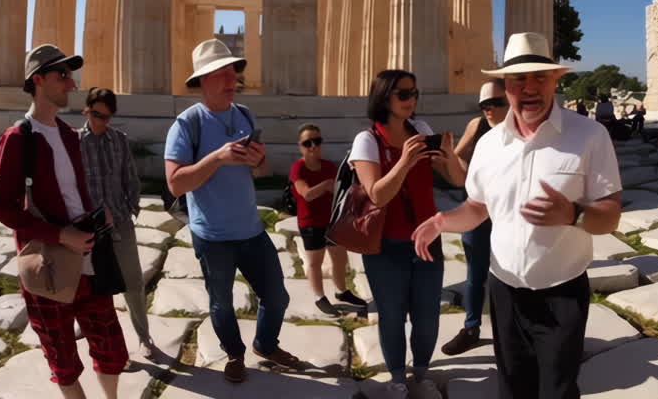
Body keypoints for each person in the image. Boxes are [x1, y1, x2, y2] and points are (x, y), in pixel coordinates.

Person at [410, 32, 622, 399]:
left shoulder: (589, 135)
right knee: (511, 389)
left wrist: (572, 214)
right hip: (505, 291)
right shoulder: (490, 144)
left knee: (556, 390)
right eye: (518, 79)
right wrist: (443, 221)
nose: (529, 88)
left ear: (556, 80)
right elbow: (478, 207)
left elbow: (610, 217)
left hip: (562, 291)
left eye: (540, 77)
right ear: (504, 86)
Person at [0, 45, 127, 398]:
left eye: (70, 75)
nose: (71, 83)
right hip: (49, 266)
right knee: (62, 358)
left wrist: (98, 214)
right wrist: (59, 234)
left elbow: (73, 193)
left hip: (90, 259)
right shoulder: (18, 138)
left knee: (112, 350)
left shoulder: (69, 134)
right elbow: (1, 206)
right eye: (61, 75)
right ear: (38, 80)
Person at [164, 39, 298, 384]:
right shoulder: (186, 124)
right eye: (221, 74)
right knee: (221, 304)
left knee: (278, 297)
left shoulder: (245, 115)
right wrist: (217, 158)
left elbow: (262, 169)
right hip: (213, 237)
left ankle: (265, 345)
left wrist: (259, 161)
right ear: (202, 81)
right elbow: (175, 184)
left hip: (251, 229)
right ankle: (235, 354)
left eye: (232, 73)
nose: (231, 81)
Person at [350, 69, 465, 398]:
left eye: (414, 93)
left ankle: (422, 373)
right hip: (385, 244)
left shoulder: (422, 129)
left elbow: (457, 180)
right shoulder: (368, 139)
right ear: (384, 97)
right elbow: (377, 195)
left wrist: (449, 153)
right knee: (391, 314)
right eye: (403, 94)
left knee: (428, 315)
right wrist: (404, 161)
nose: (411, 100)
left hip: (427, 239)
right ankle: (397, 379)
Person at [78, 87, 156, 359]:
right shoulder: (74, 142)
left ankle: (144, 337)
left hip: (121, 222)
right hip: (89, 227)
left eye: (107, 116)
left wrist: (131, 208)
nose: (102, 121)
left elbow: (130, 178)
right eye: (97, 114)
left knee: (133, 281)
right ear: (87, 110)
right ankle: (104, 344)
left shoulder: (119, 140)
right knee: (97, 288)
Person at [443, 80, 508, 356]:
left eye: (496, 103)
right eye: (484, 105)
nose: (489, 110)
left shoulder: (523, 129)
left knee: (507, 274)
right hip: (478, 209)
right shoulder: (477, 126)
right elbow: (455, 160)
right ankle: (471, 327)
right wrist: (461, 165)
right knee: (475, 273)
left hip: (508, 212)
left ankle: (509, 331)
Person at [288, 124, 366, 318]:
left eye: (317, 141)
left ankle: (341, 291)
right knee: (315, 262)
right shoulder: (298, 167)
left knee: (340, 257)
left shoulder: (330, 166)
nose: (313, 146)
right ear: (301, 146)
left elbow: (340, 192)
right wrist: (325, 186)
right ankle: (319, 296)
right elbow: (305, 194)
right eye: (308, 143)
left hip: (331, 220)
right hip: (310, 222)